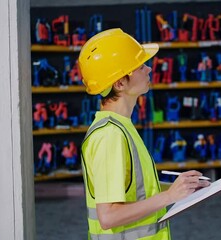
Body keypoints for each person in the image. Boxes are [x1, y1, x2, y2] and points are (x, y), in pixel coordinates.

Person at [78, 28, 210, 239]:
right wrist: (169, 196)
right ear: (120, 83)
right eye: (140, 66)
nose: (148, 69)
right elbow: (108, 216)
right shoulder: (110, 136)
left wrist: (181, 187)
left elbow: (134, 192)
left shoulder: (121, 127)